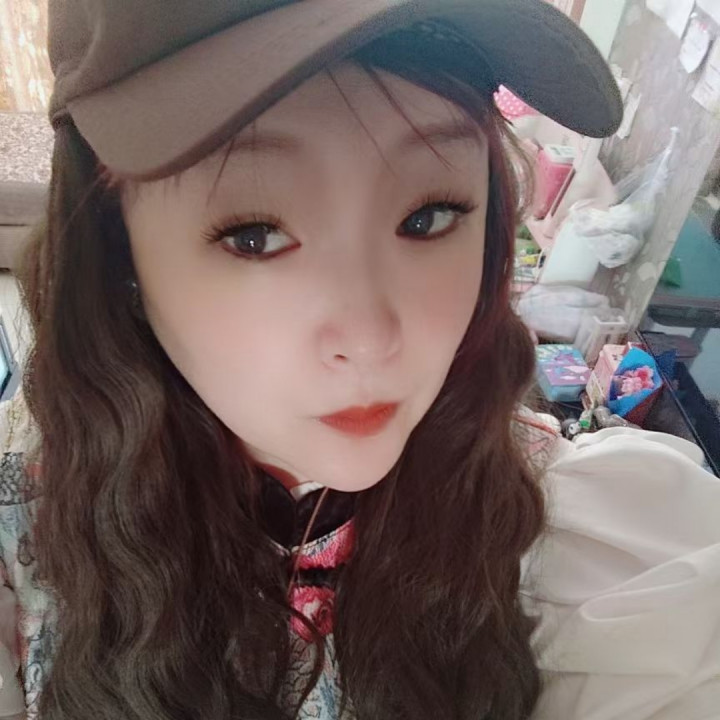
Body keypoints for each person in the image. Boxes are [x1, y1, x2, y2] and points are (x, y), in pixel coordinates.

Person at [1, 1, 719, 718]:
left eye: (429, 216)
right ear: (116, 253)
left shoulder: (573, 539)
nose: (372, 337)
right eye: (253, 235)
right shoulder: (22, 532)